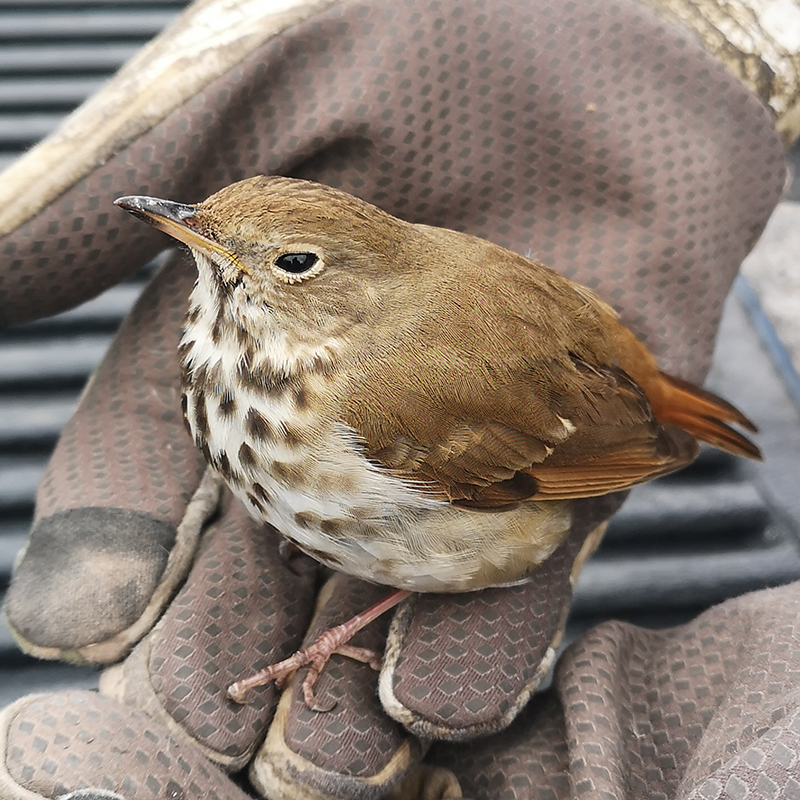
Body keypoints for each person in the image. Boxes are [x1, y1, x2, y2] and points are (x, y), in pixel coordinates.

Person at [0, 0, 798, 797]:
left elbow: (543, 473)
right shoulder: (295, 342)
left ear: (352, 287)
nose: (223, 255)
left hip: (557, 442)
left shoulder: (371, 402)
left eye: (294, 263)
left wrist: (344, 627)